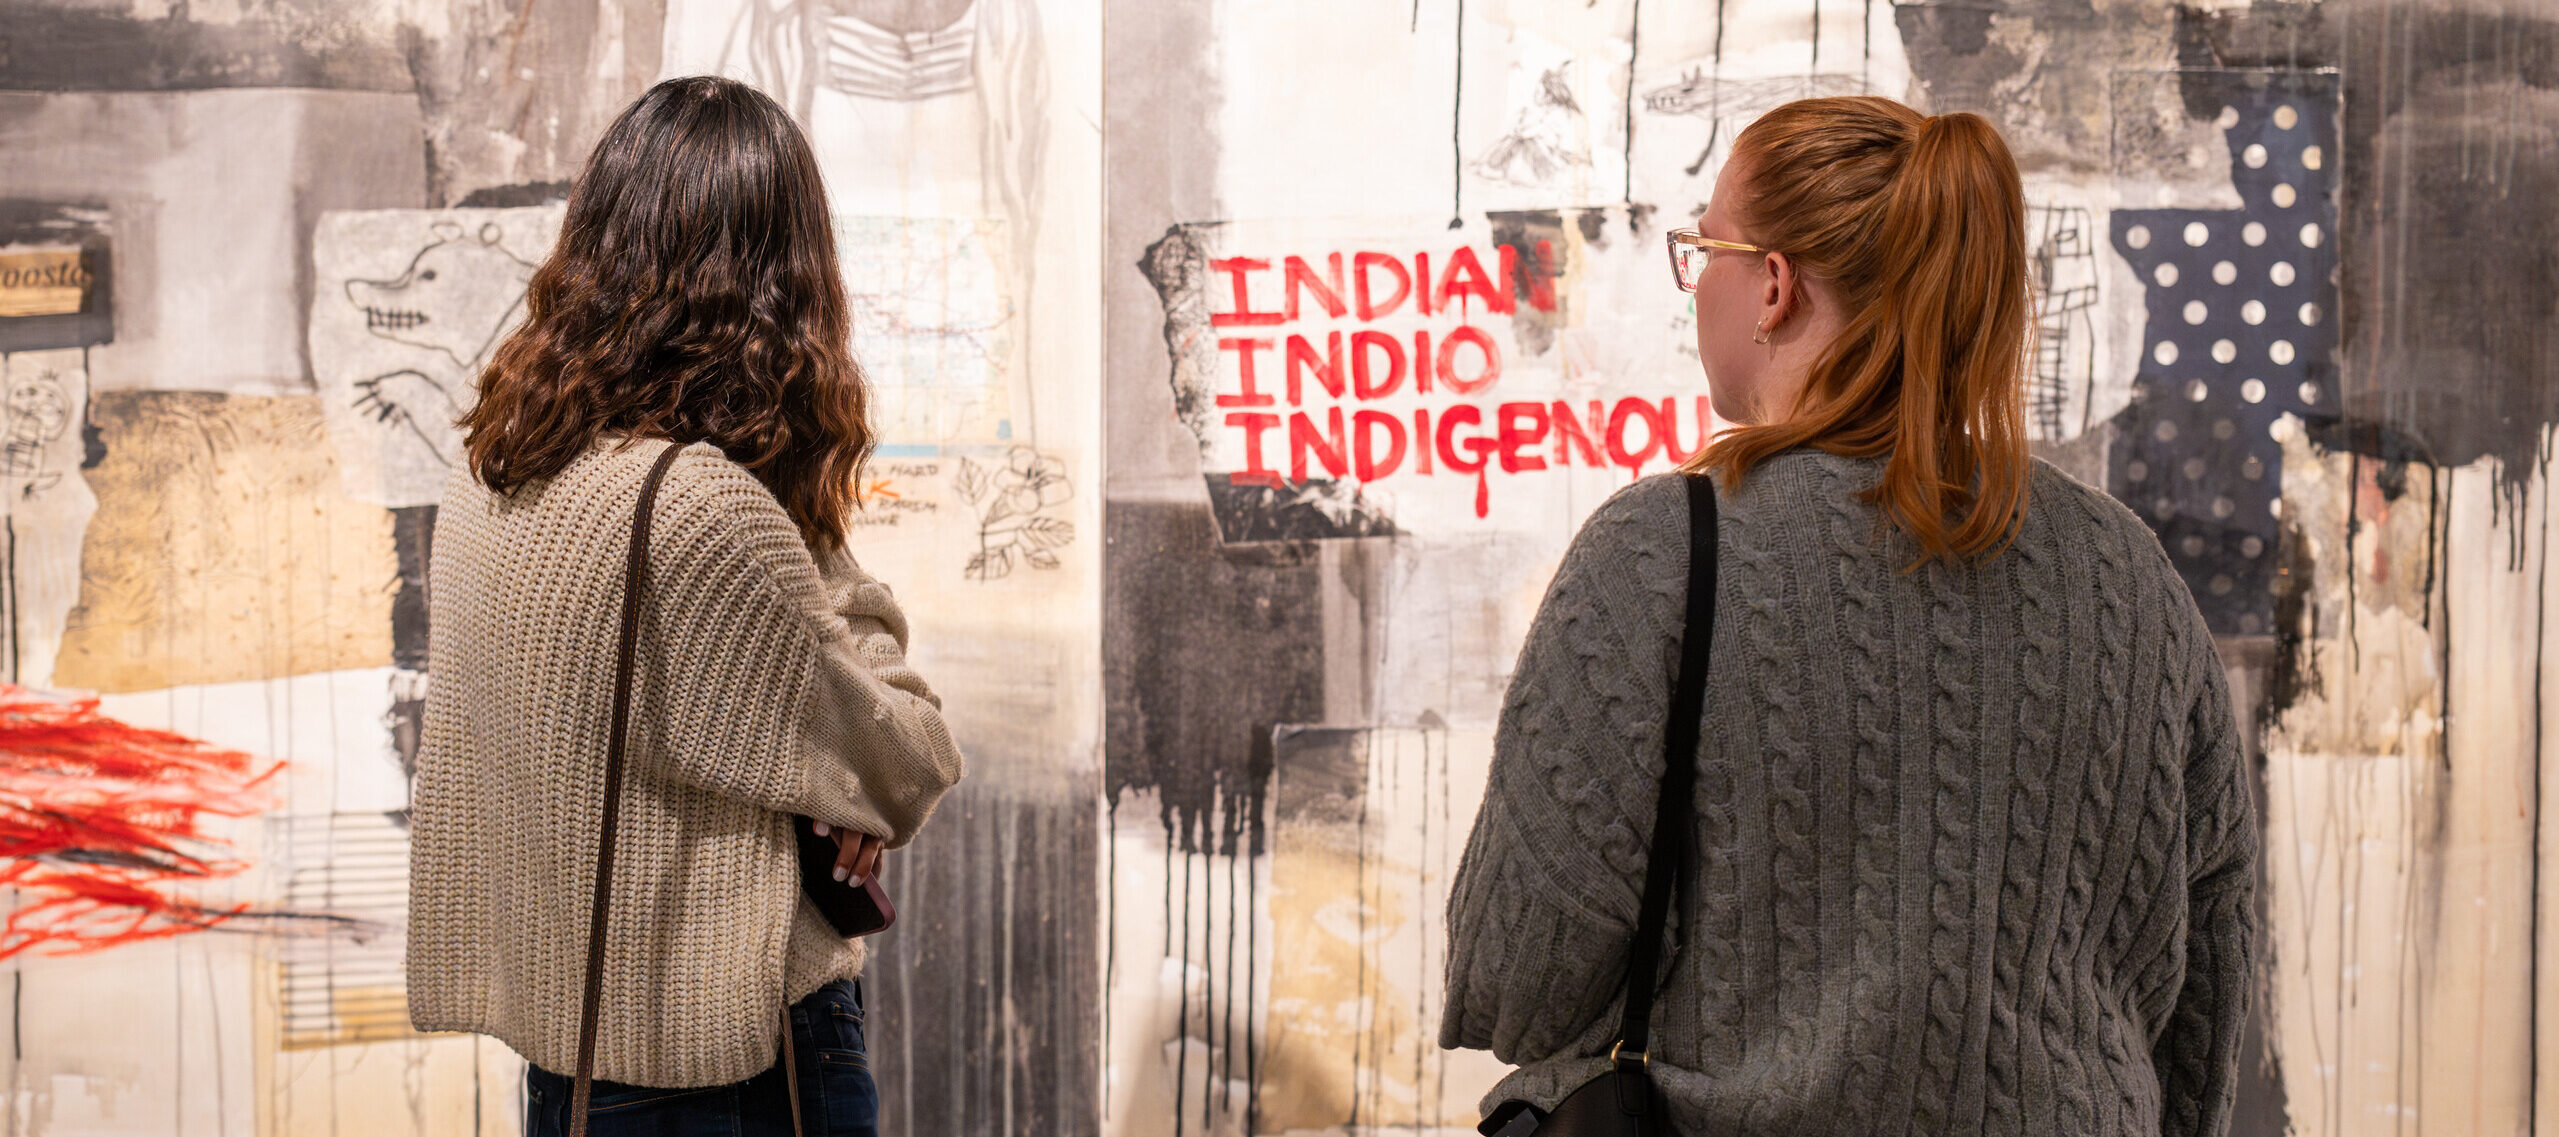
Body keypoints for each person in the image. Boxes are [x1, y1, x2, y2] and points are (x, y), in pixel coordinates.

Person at [1439, 95, 2257, 1137]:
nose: (1697, 290)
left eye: (1703, 254)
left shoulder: (1663, 553)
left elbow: (1518, 978)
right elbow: (2204, 996)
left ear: (1772, 284)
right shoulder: (2128, 574)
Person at [405, 76, 965, 1137]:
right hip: (735, 1073)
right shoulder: (705, 510)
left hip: (566, 1069)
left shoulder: (491, 478)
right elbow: (907, 760)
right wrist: (806, 518)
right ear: (784, 283)